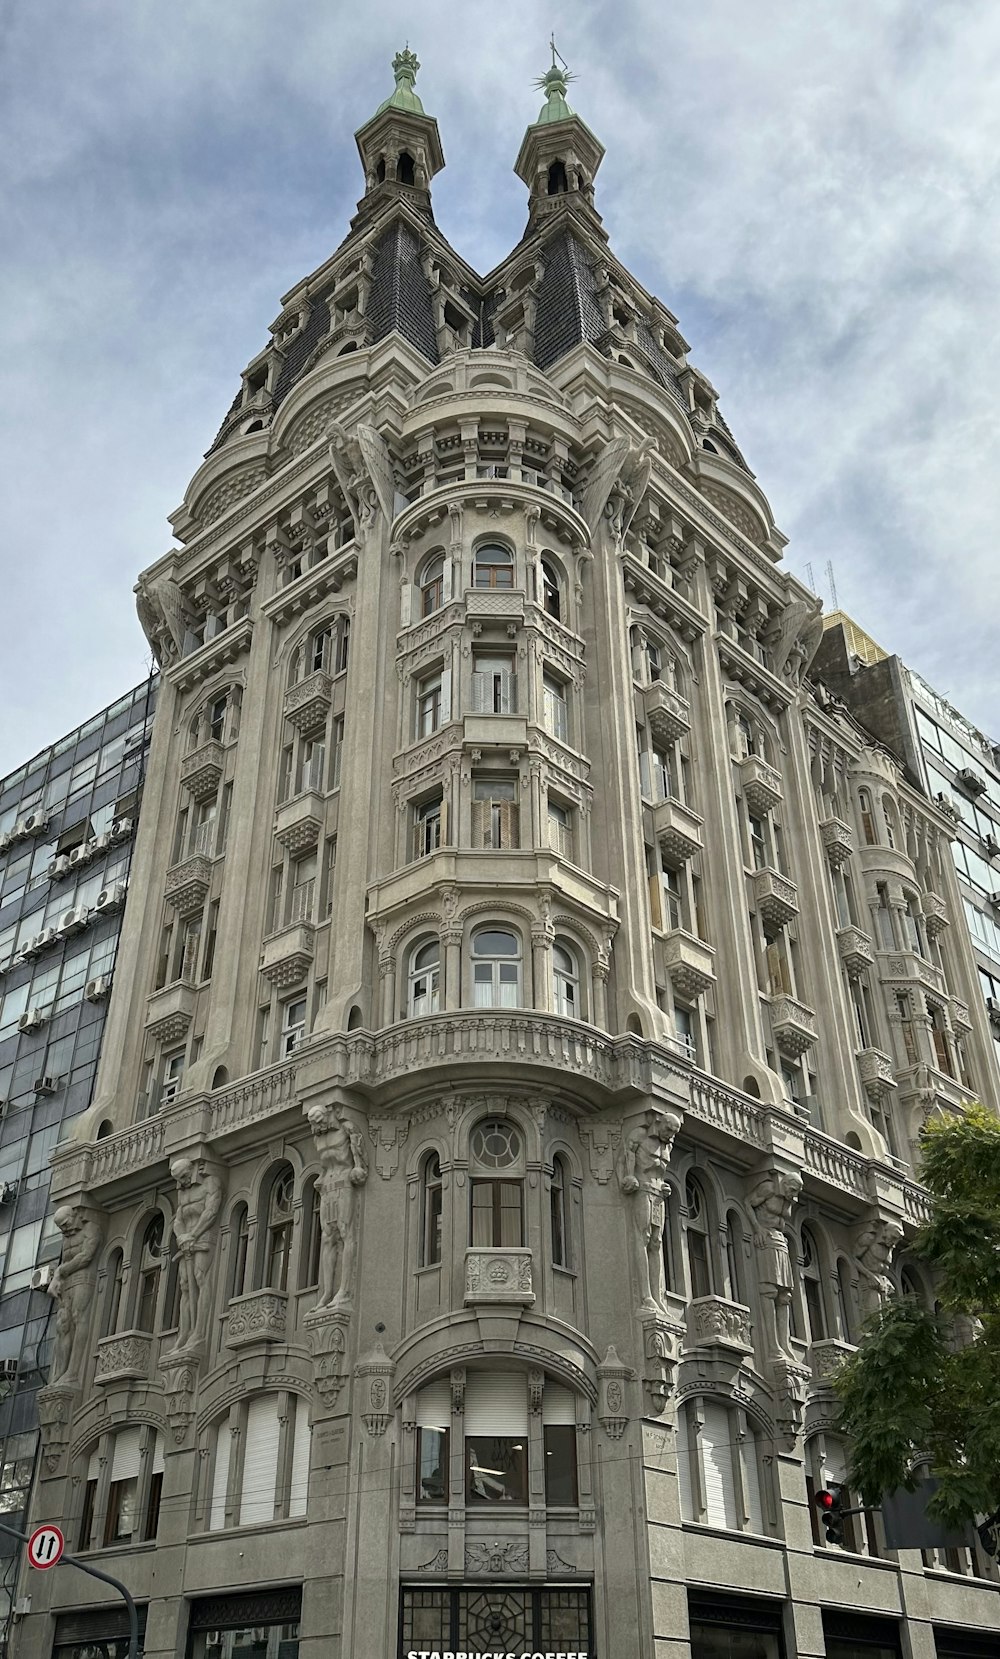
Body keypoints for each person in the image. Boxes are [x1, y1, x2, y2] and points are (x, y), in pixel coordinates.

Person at [617, 1108, 682, 1310]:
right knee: (642, 1237)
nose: (670, 1135)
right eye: (668, 1129)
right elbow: (624, 1159)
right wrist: (626, 1178)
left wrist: (664, 1186)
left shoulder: (667, 1146)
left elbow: (659, 1173)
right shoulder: (639, 1135)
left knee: (656, 1242)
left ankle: (657, 1296)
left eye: (673, 1133)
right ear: (660, 1123)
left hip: (658, 1196)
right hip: (643, 1191)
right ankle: (645, 1295)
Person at [308, 1103, 368, 1309]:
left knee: (345, 1233)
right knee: (327, 1238)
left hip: (344, 1184)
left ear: (327, 1115)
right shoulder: (318, 1138)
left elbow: (359, 1160)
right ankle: (327, 1292)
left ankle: (344, 1290)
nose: (317, 1127)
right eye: (313, 1124)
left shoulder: (347, 1128)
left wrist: (358, 1168)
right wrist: (321, 1178)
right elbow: (325, 1166)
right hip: (327, 1188)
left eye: (319, 1122)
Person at [166, 1157, 223, 1357]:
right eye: (179, 1179)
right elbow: (178, 1220)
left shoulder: (210, 1182)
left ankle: (199, 1332)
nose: (183, 1181)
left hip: (204, 1237)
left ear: (192, 1169)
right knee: (184, 1285)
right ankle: (184, 1334)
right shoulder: (182, 1192)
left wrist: (193, 1234)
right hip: (186, 1243)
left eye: (184, 1176)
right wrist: (181, 1236)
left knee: (200, 1278)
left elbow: (211, 1212)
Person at [48, 1205, 102, 1386]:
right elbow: (65, 1259)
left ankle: (73, 1371)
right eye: (61, 1227)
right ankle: (59, 1373)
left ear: (74, 1214)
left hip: (83, 1278)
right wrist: (57, 1279)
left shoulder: (91, 1228)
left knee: (79, 1318)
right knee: (63, 1325)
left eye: (66, 1223)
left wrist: (61, 1272)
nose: (65, 1229)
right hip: (67, 1283)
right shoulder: (66, 1237)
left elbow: (86, 1256)